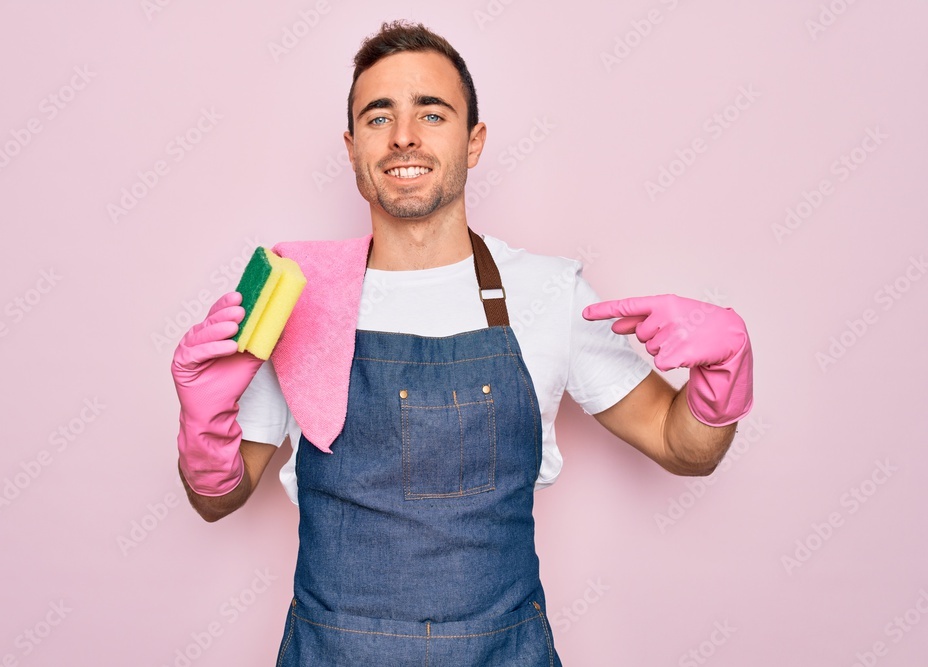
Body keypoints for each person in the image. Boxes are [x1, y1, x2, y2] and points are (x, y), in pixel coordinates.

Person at [170, 20, 753, 666]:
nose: (404, 136)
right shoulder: (299, 297)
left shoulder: (549, 293)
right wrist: (204, 424)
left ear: (474, 141)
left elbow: (681, 446)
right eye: (378, 117)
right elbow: (216, 500)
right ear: (352, 149)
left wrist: (721, 378)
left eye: (432, 113)